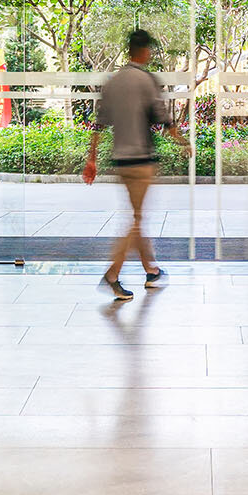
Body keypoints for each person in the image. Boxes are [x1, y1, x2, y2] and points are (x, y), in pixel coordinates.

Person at [85, 29, 190, 300]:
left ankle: (151, 271)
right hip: (142, 160)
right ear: (144, 52)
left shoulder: (114, 81)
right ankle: (112, 275)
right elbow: (164, 120)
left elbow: (98, 124)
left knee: (137, 217)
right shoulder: (146, 80)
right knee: (136, 221)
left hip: (120, 160)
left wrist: (92, 159)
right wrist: (184, 142)